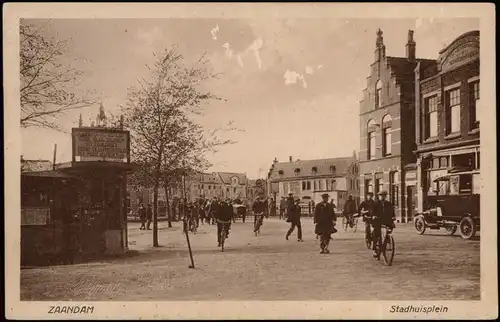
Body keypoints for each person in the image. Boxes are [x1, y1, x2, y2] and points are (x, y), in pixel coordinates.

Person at [371, 190, 396, 258]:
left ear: (385, 196)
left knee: (389, 229)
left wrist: (393, 216)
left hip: (387, 221)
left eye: (384, 195)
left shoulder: (389, 204)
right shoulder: (375, 204)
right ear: (379, 196)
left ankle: (387, 240)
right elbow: (372, 212)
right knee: (375, 233)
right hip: (378, 221)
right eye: (381, 195)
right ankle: (375, 249)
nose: (382, 197)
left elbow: (392, 212)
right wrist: (373, 216)